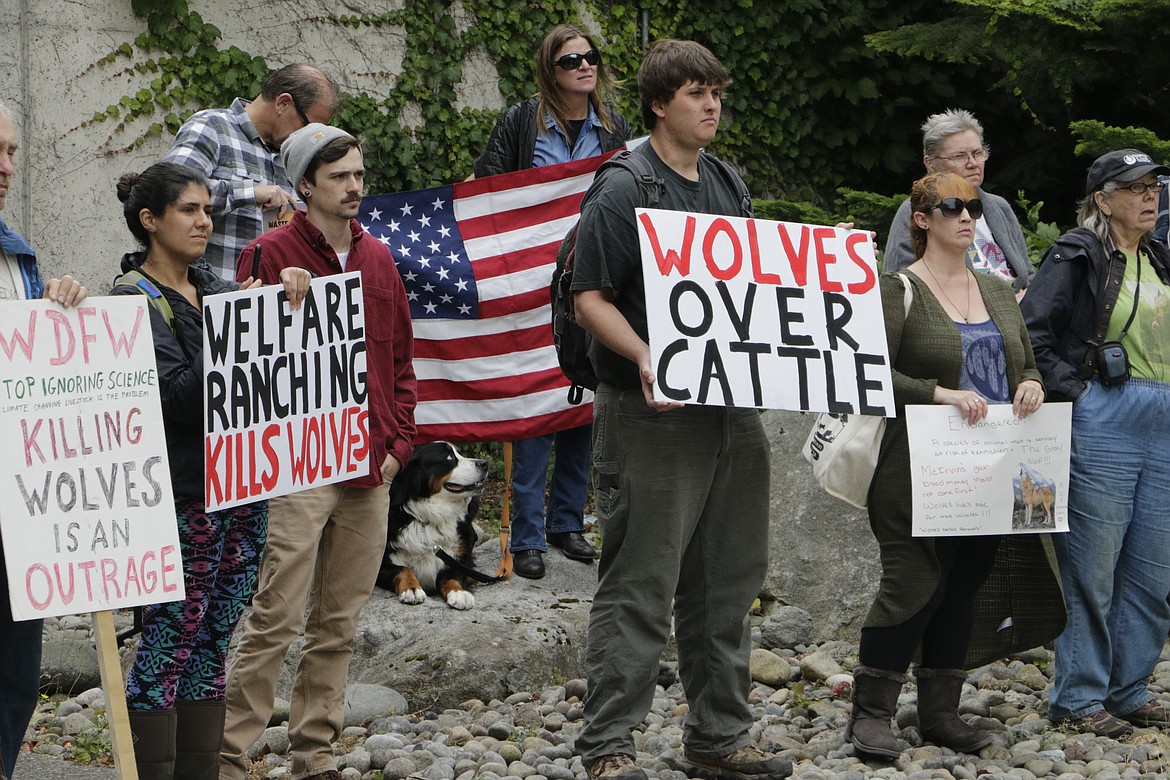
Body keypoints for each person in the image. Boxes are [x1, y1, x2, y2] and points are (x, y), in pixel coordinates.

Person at [570, 40, 791, 780]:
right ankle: (608, 748)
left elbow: (755, 292)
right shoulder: (624, 187)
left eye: (718, 92)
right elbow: (589, 297)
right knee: (640, 581)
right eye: (697, 93)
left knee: (728, 581)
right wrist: (643, 355)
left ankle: (719, 737)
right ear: (661, 103)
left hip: (731, 411)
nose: (712, 105)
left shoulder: (727, 181)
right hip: (649, 415)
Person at [220, 124, 416, 780]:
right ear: (305, 186)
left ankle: (315, 752)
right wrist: (275, 303)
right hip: (298, 463)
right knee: (275, 614)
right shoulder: (269, 252)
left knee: (339, 621)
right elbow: (243, 364)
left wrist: (399, 444)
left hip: (369, 463)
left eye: (359, 174)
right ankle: (227, 752)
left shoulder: (381, 258)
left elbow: (400, 360)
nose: (355, 186)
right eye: (339, 177)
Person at [111, 161, 310, 780]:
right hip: (180, 500)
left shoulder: (216, 294)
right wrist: (234, 335)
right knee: (169, 643)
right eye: (190, 211)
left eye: (207, 209)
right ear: (150, 221)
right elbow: (173, 396)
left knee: (213, 641)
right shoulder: (131, 302)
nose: (205, 221)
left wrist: (287, 299)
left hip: (239, 493)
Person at [847, 172, 1049, 759]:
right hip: (916, 461)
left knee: (964, 587)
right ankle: (870, 713)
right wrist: (940, 394)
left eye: (974, 207)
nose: (967, 216)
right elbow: (870, 374)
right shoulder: (898, 287)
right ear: (922, 219)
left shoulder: (994, 287)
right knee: (914, 581)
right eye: (952, 207)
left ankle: (939, 713)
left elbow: (1027, 363)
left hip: (994, 465)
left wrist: (1030, 386)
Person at [473, 24, 632, 579]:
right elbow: (488, 194)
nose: (584, 67)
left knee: (583, 393)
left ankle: (569, 523)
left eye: (591, 57)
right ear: (550, 70)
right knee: (535, 403)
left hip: (592, 278)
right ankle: (529, 534)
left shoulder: (615, 127)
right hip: (529, 284)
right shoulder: (520, 122)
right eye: (571, 61)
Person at [1022, 149, 1170, 738]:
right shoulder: (1077, 253)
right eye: (1133, 187)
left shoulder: (1160, 255)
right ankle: (1078, 697)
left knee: (1154, 569)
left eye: (1154, 185)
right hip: (1105, 412)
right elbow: (1033, 330)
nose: (1149, 195)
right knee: (1094, 565)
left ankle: (1128, 689)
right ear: (1103, 200)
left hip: (1163, 414)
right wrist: (1078, 394)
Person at [0, 99, 87, 780]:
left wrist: (58, 304)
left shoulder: (17, 256)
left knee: (15, 674)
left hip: (17, 501)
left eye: (11, 155)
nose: (5, 169)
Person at [164, 63, 338, 280]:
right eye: (308, 126)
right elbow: (169, 192)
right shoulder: (212, 127)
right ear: (283, 102)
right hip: (211, 299)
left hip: (275, 303)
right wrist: (249, 192)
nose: (308, 137)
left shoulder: (295, 154)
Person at [884, 109, 1033, 297]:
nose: (972, 163)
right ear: (930, 164)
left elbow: (1028, 275)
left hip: (1022, 318)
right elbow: (900, 287)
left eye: (977, 153)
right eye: (959, 156)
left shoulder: (999, 207)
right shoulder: (915, 210)